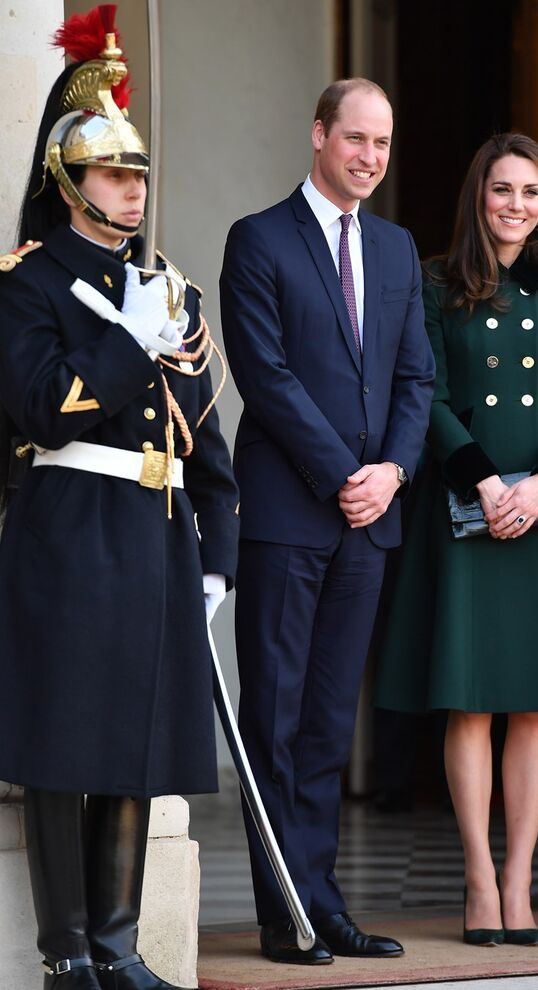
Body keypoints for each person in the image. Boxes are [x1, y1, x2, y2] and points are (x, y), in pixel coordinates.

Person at [0, 7, 239, 988]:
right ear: (67, 183)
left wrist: (218, 555)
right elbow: (49, 408)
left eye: (138, 175)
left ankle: (118, 940)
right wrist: (125, 341)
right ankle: (66, 955)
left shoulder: (165, 288)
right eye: (112, 173)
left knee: (136, 747)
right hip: (68, 534)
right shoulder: (28, 287)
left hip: (155, 538)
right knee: (65, 749)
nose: (132, 191)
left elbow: (205, 439)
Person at [375, 133, 538, 947]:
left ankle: (520, 883)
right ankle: (478, 883)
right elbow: (431, 395)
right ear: (477, 197)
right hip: (465, 504)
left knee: (532, 701)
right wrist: (483, 481)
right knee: (472, 700)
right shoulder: (435, 281)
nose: (516, 206)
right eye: (501, 190)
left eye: (529, 192)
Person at [219, 78, 435, 964]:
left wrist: (391, 472)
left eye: (382, 144)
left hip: (367, 520)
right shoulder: (259, 239)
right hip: (284, 515)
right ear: (318, 136)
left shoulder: (395, 248)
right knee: (272, 717)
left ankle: (323, 901)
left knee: (325, 723)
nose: (370, 158)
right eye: (355, 139)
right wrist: (347, 471)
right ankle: (284, 914)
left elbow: (417, 379)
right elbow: (264, 376)